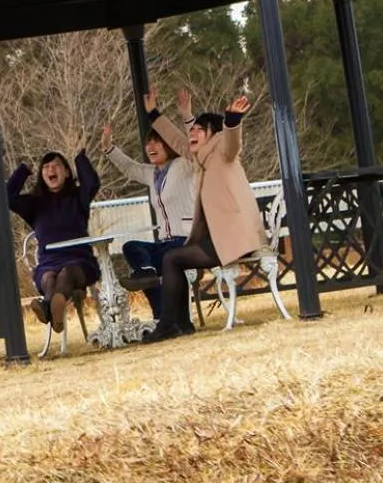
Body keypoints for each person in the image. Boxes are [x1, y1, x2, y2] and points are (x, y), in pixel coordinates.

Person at [142, 91, 264, 342]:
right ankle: (180, 324)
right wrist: (154, 114)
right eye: (192, 129)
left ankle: (169, 325)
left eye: (199, 130)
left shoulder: (222, 151)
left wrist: (231, 120)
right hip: (217, 240)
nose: (192, 134)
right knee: (173, 259)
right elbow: (176, 141)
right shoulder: (201, 158)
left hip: (233, 240)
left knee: (172, 258)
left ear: (213, 134)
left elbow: (233, 142)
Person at [101, 86, 198, 320]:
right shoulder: (151, 173)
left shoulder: (185, 165)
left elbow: (194, 148)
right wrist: (108, 148)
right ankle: (157, 306)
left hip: (187, 239)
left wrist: (187, 115)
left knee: (159, 261)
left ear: (170, 145)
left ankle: (163, 316)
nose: (151, 147)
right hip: (166, 242)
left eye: (157, 143)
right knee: (133, 249)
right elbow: (129, 167)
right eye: (148, 144)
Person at [7, 149, 102, 333]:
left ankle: (48, 306)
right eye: (46, 166)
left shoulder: (78, 197)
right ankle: (54, 306)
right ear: (42, 174)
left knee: (66, 272)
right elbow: (8, 198)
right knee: (49, 277)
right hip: (49, 262)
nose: (51, 169)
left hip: (80, 262)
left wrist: (79, 157)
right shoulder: (35, 203)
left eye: (56, 165)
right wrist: (24, 169)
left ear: (66, 172)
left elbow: (92, 184)